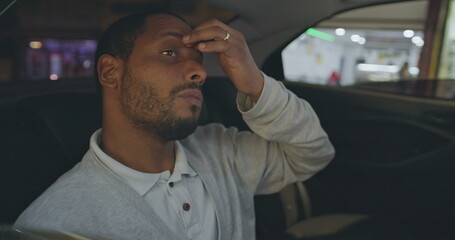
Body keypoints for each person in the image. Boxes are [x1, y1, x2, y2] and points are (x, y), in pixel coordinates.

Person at [14, 12, 335, 240]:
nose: (198, 71)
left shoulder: (222, 152)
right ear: (111, 72)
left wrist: (256, 85)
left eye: (198, 59)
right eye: (170, 52)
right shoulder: (56, 224)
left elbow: (312, 153)